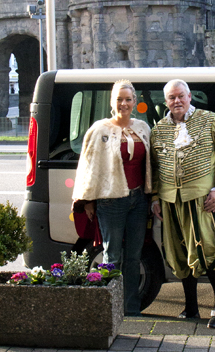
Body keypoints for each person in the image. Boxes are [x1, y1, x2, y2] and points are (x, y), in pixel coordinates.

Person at [151, 79, 215, 328]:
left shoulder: (211, 121)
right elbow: (155, 169)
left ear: (190, 96)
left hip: (204, 201)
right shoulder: (158, 130)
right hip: (171, 203)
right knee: (180, 254)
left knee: (210, 251)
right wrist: (156, 198)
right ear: (166, 101)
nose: (176, 101)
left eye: (180, 96)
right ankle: (191, 308)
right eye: (171, 98)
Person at [71, 79, 151, 315]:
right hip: (110, 200)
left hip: (139, 200)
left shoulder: (143, 128)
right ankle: (109, 310)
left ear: (134, 102)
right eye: (119, 99)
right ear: (112, 102)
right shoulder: (99, 129)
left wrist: (152, 196)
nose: (123, 103)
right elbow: (88, 166)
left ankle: (131, 309)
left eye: (127, 99)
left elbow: (151, 165)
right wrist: (88, 199)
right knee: (112, 255)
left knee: (134, 257)